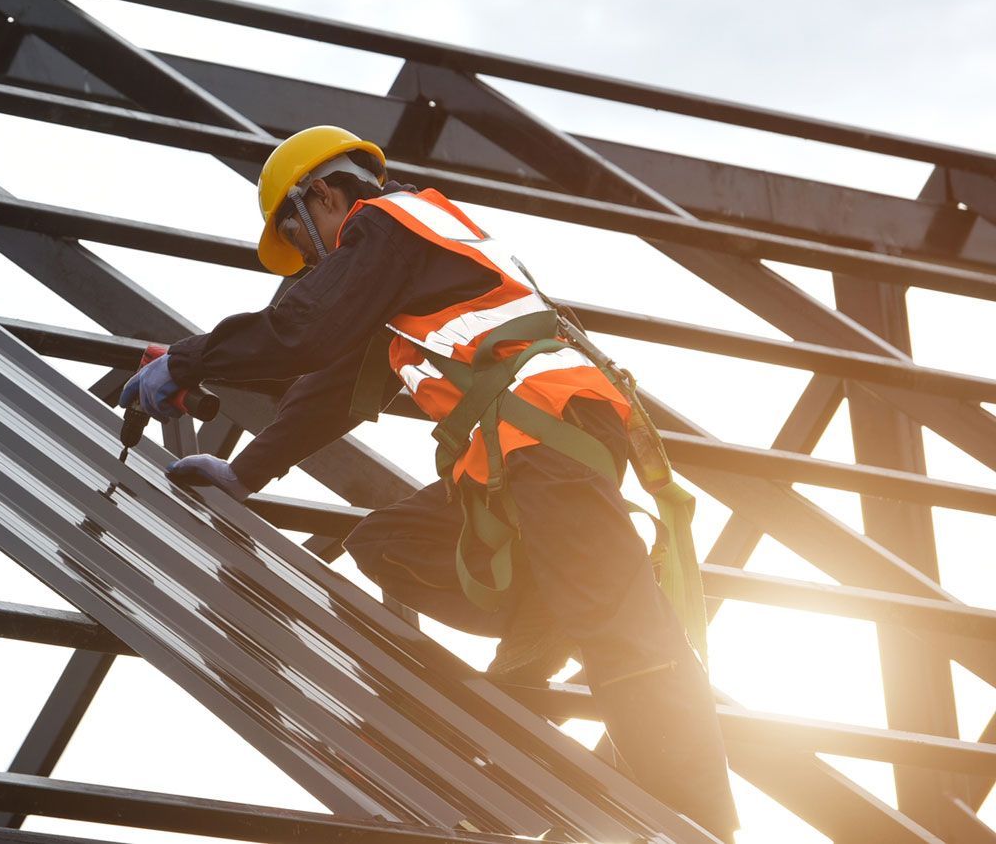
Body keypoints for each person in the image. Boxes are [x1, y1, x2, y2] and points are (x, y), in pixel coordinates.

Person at [120, 125, 737, 839]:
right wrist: (245, 470)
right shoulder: (405, 278)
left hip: (549, 433)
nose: (307, 263)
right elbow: (328, 386)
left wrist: (189, 362)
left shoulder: (387, 223)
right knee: (389, 541)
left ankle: (699, 826)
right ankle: (545, 616)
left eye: (299, 233)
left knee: (624, 638)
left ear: (322, 192)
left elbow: (304, 328)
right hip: (519, 459)